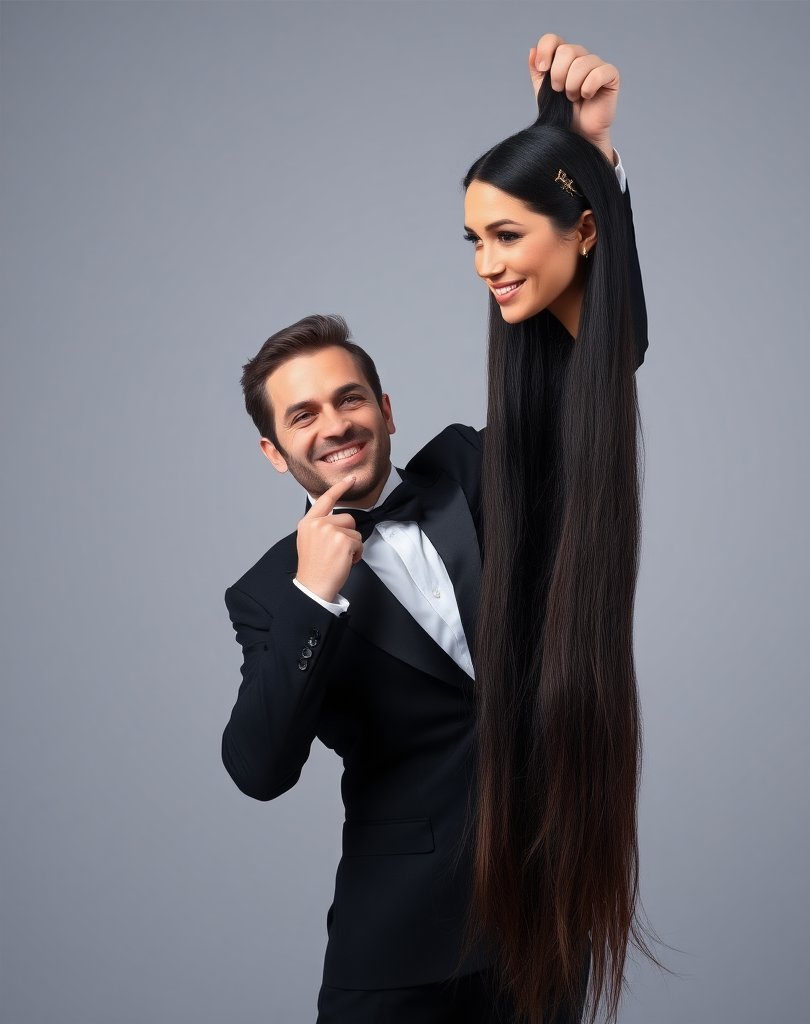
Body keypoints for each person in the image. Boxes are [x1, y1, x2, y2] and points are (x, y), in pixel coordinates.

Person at [221, 35, 647, 1024]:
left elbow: (599, 363)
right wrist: (311, 596)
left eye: (349, 397)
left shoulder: (469, 469)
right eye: (302, 416)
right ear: (272, 451)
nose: (334, 426)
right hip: (399, 949)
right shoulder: (266, 594)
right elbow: (259, 766)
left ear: (388, 406)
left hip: (543, 926)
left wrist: (587, 168)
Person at [461, 60, 649, 1024]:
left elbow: (621, 337)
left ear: (582, 232)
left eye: (505, 234)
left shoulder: (593, 383)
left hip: (563, 801)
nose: (486, 262)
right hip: (498, 823)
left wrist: (595, 156)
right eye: (472, 240)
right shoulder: (518, 401)